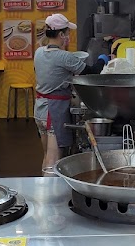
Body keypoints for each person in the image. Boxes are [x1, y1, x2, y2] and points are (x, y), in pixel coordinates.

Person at [33, 13, 104, 175]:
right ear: (61, 34)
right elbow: (91, 72)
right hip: (54, 111)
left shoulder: (39, 52)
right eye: (67, 33)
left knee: (46, 156)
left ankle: (42, 186)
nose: (68, 36)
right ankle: (50, 190)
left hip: (40, 109)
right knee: (53, 160)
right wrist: (103, 59)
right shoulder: (64, 57)